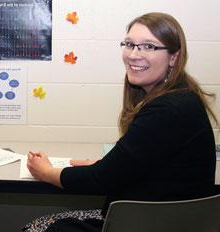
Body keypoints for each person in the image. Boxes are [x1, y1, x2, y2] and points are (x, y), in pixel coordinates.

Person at [25, 12, 218, 232]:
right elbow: (145, 163)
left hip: (147, 224)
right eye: (129, 44)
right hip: (159, 220)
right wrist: (109, 166)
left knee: (36, 228)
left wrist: (47, 173)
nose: (134, 55)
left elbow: (100, 181)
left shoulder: (168, 109)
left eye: (149, 46)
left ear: (174, 57)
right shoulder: (181, 98)